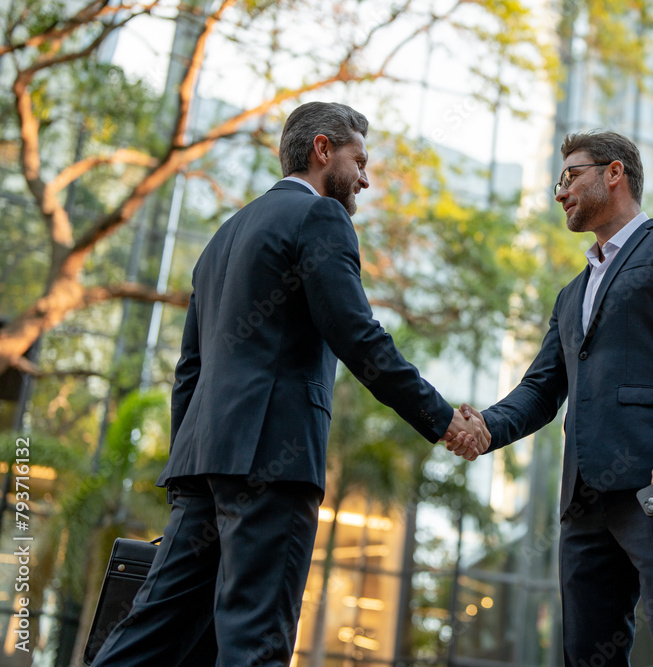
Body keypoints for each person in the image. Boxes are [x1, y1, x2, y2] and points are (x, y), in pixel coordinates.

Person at [91, 102, 489, 667]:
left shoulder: (223, 238)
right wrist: (442, 416)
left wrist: (190, 469)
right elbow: (356, 334)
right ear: (323, 149)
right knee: (256, 641)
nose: (367, 178)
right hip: (271, 462)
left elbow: (190, 370)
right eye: (361, 160)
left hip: (204, 467)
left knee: (147, 637)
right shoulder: (321, 218)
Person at [458, 130, 653, 665]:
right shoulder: (570, 294)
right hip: (583, 500)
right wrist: (486, 427)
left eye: (569, 176)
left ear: (614, 173)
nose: (559, 192)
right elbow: (542, 388)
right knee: (586, 655)